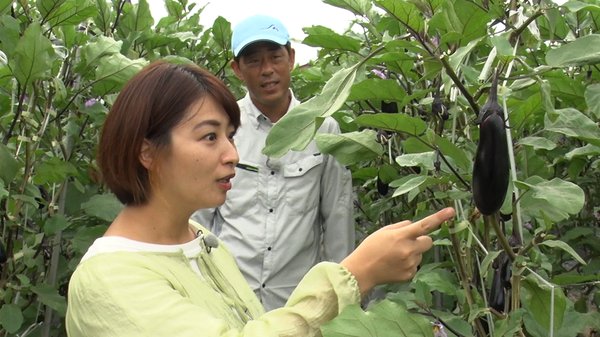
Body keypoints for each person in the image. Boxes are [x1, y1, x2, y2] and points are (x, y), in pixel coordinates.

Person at [65, 60, 456, 337]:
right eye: (209, 136)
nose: (232, 154)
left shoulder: (202, 242)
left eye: (230, 135)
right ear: (146, 151)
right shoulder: (108, 281)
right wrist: (357, 273)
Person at [192, 14, 355, 311]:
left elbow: (337, 219)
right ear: (237, 69)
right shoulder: (223, 127)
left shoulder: (323, 128)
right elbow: (200, 219)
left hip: (298, 302)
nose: (267, 70)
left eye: (275, 57)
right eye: (253, 61)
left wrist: (341, 303)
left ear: (291, 58)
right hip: (229, 298)